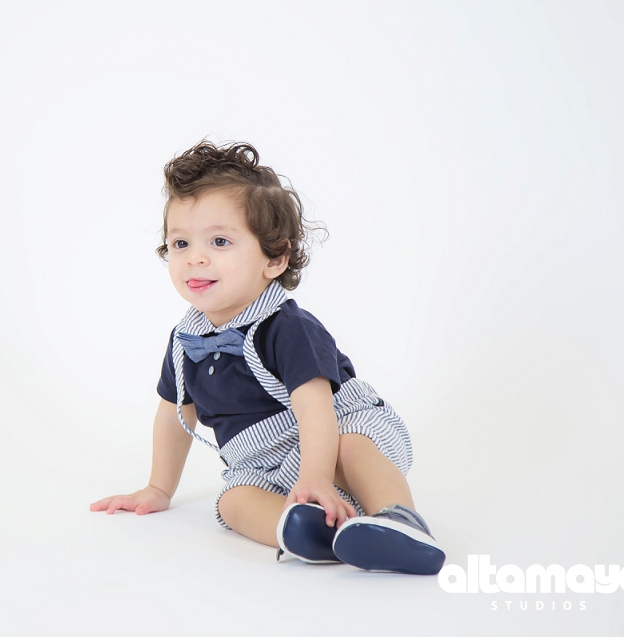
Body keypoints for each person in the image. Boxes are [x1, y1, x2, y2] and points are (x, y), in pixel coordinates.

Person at [90, 140, 445, 575]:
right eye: (180, 243)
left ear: (275, 258)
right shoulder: (185, 340)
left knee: (350, 448)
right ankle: (314, 533)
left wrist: (315, 476)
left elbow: (315, 409)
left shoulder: (287, 327)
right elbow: (173, 416)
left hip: (332, 435)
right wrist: (158, 488)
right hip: (264, 463)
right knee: (232, 502)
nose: (195, 258)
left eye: (219, 241)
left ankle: (400, 520)